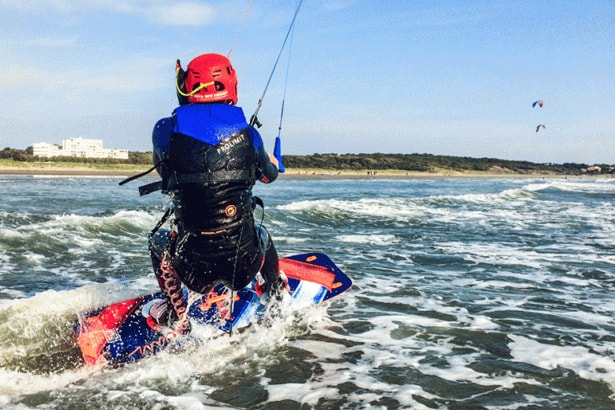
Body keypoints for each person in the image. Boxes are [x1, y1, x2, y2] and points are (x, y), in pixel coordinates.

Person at [146, 53, 285, 333]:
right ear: (229, 84)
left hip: (193, 271)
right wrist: (270, 162)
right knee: (263, 234)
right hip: (244, 266)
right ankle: (276, 291)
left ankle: (176, 311)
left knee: (158, 239)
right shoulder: (249, 134)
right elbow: (269, 176)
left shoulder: (164, 130)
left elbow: (166, 175)